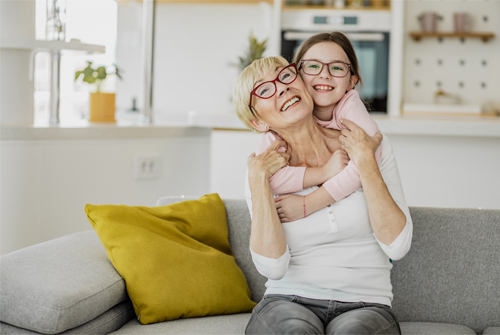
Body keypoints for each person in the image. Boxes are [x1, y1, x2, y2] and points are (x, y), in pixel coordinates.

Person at [232, 55, 412, 334]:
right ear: (258, 123)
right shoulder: (262, 171)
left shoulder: (365, 145)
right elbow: (273, 267)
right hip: (286, 300)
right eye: (264, 90)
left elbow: (397, 246)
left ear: (302, 83)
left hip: (365, 303)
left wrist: (365, 160)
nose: (280, 87)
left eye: (285, 75)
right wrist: (257, 181)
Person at [255, 32, 384, 222]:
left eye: (337, 68)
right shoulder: (282, 128)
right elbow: (270, 178)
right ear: (297, 76)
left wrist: (308, 203)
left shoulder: (350, 106)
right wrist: (322, 173)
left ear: (351, 82)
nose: (324, 74)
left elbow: (367, 163)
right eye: (313, 66)